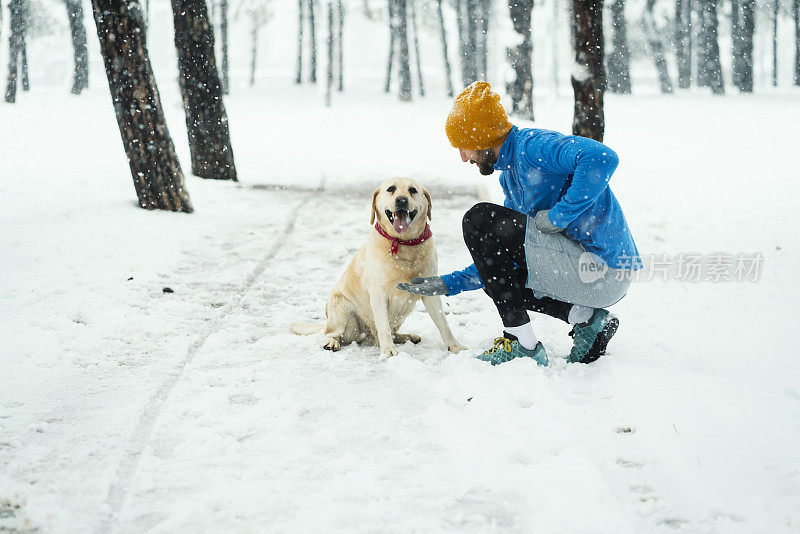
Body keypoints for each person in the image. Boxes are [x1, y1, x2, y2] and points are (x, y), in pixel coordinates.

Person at [397, 82, 642, 366]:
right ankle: (586, 319)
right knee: (497, 281)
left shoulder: (533, 147)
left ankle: (521, 343)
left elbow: (602, 157)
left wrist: (558, 216)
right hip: (586, 271)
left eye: (466, 147)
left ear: (486, 138)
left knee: (478, 220)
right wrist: (449, 284)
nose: (463, 157)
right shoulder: (511, 177)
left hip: (604, 269)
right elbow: (499, 258)